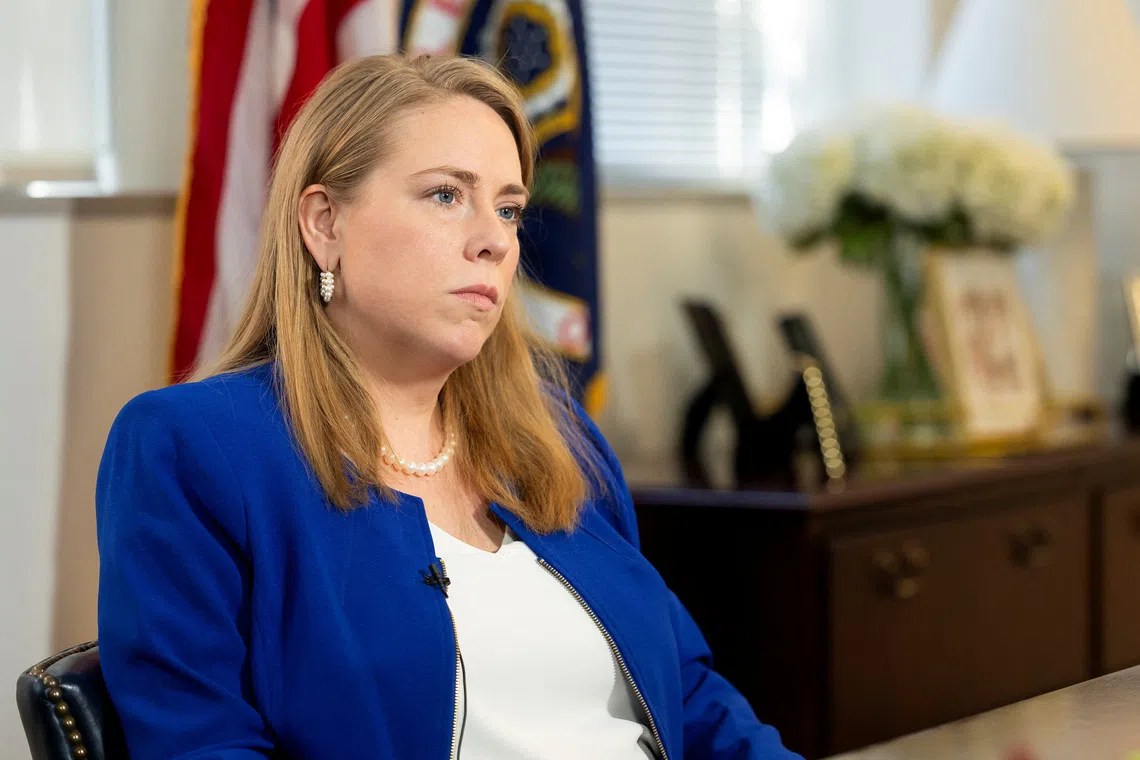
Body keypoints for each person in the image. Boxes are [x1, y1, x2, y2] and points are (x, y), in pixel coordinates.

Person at [96, 54, 801, 759]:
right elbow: (200, 743)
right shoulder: (194, 448)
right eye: (444, 196)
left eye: (508, 208)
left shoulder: (557, 437)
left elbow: (688, 696)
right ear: (324, 222)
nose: (495, 239)